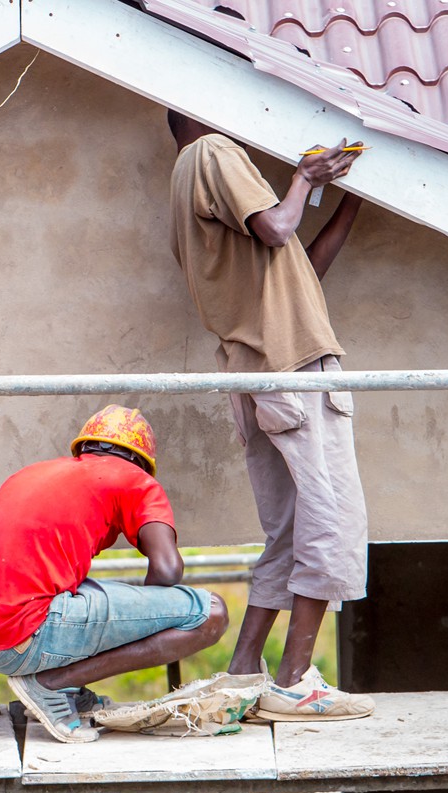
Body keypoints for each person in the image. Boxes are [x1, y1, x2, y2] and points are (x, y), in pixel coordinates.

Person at [166, 111, 374, 721]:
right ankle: (295, 680)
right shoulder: (214, 151)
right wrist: (305, 179)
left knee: (289, 526)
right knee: (333, 520)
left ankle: (244, 669)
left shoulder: (184, 180)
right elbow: (281, 228)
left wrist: (351, 201)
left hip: (255, 371)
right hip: (293, 367)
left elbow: (297, 265)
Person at [0, 406, 229, 743]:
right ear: (140, 462)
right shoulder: (135, 480)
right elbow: (168, 570)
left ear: (84, 447)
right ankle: (52, 684)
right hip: (27, 638)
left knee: (66, 589)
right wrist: (143, 625)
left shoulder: (32, 473)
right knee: (210, 613)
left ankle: (53, 688)